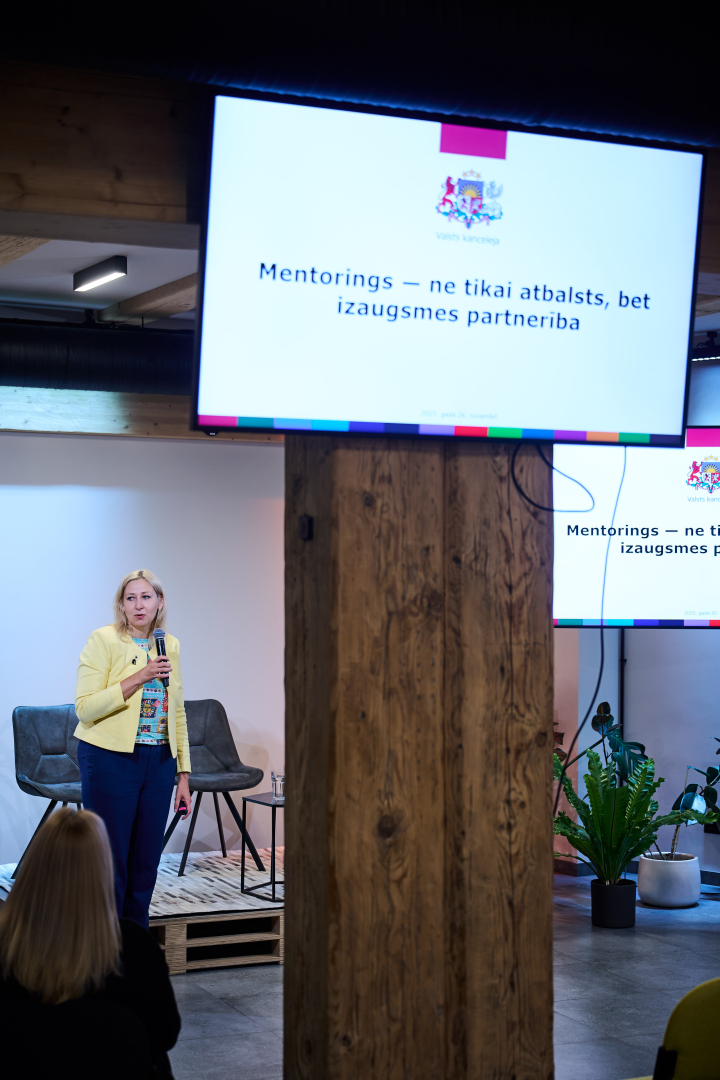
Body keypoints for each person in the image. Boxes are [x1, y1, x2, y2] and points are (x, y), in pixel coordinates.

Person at [0, 808, 180, 1080]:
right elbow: (165, 1034)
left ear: (35, 864)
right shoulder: (134, 946)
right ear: (103, 867)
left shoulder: (6, 943)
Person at [75, 569, 192, 926]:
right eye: (131, 598)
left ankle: (135, 942)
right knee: (111, 859)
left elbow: (177, 711)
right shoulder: (103, 640)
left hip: (159, 762)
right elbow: (85, 708)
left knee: (146, 861)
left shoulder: (169, 645)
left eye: (146, 597)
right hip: (110, 758)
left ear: (159, 603)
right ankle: (104, 945)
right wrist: (140, 676)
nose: (139, 605)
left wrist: (183, 775)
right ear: (121, 605)